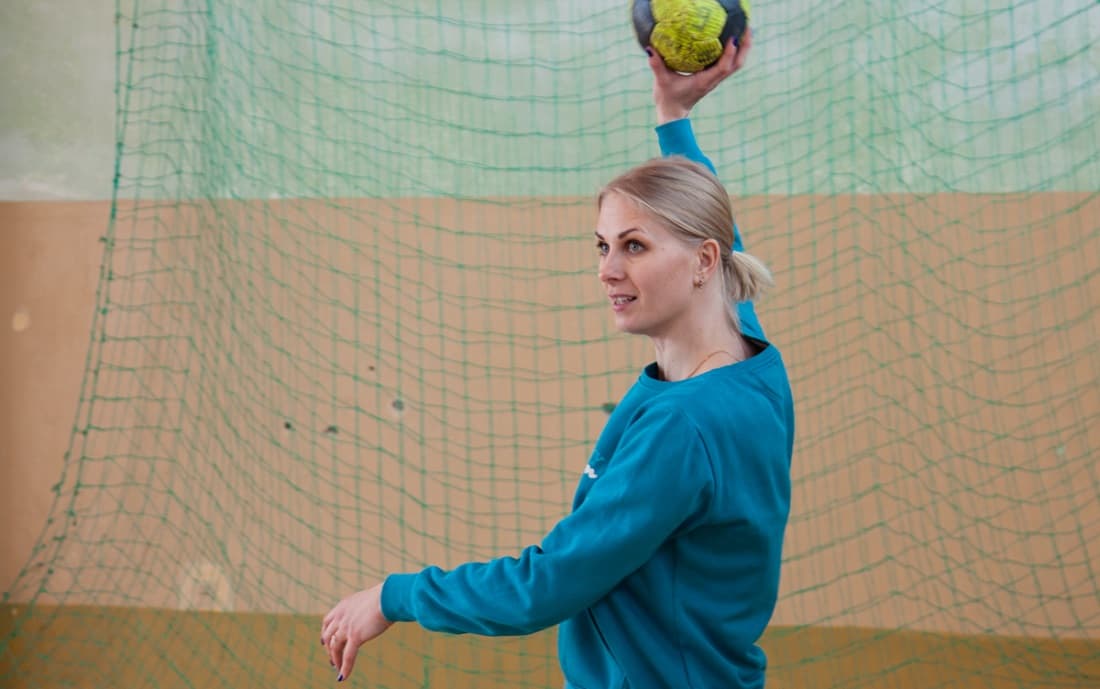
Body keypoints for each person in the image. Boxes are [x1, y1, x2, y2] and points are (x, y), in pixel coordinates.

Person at [321, 30, 795, 688]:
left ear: (703, 262)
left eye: (634, 246)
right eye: (602, 245)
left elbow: (544, 586)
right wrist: (673, 116)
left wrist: (393, 597)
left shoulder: (682, 427)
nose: (607, 269)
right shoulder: (752, 361)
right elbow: (720, 231)